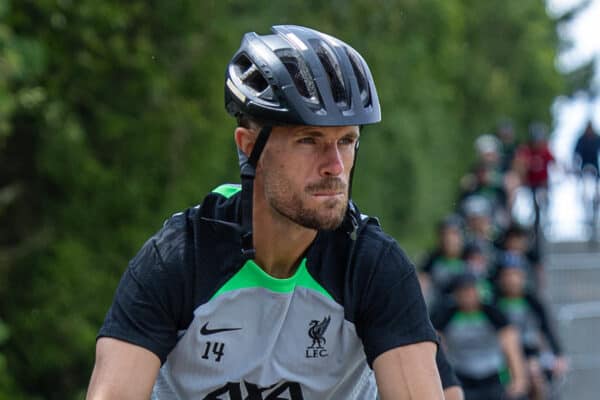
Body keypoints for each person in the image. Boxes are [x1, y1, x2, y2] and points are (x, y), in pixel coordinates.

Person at [86, 25, 445, 399]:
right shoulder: (177, 260)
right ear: (249, 147)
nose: (335, 166)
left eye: (346, 141)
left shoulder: (373, 267)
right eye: (309, 141)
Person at [432, 273, 528, 400]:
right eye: (463, 291)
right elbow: (437, 346)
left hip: (493, 376)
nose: (468, 296)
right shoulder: (446, 315)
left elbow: (511, 346)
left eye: (471, 290)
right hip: (461, 376)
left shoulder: (492, 313)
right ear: (456, 294)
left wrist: (519, 378)